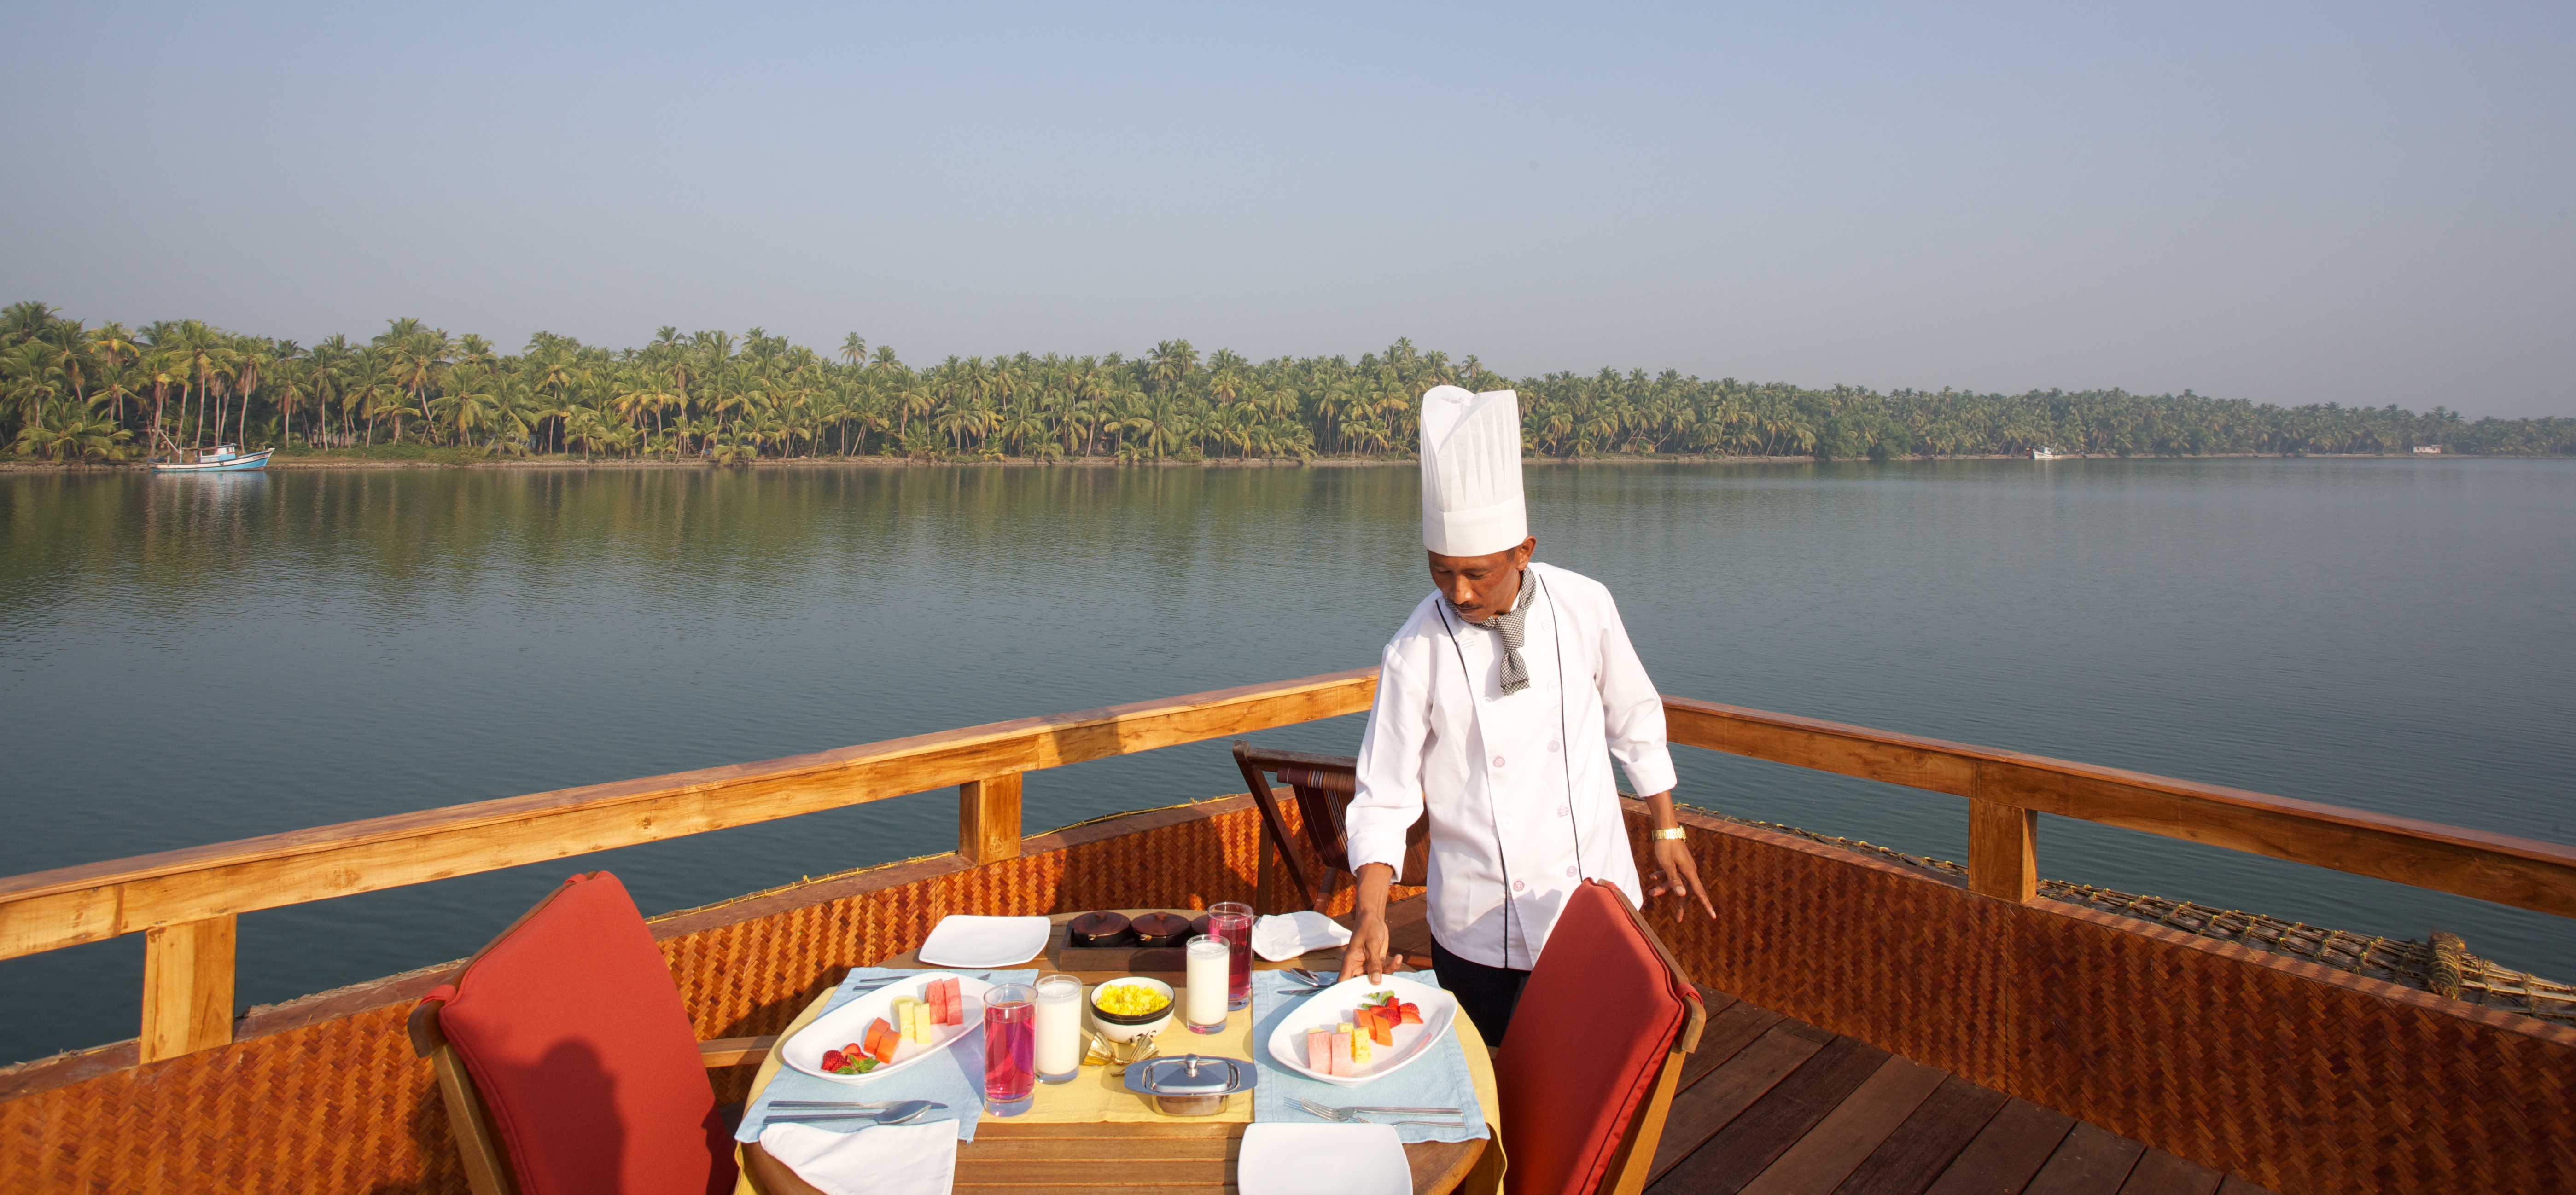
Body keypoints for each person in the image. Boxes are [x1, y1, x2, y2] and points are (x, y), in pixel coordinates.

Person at [1337, 384, 1717, 1044]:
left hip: (1595, 904)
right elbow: (1383, 797)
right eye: (1440, 571)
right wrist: (1369, 911)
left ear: (1523, 550)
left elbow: (1633, 717)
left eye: (1477, 574)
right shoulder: (1414, 649)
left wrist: (1666, 830)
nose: (1457, 592)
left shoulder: (1585, 604)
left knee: (1593, 1071)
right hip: (1477, 924)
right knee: (1499, 1087)